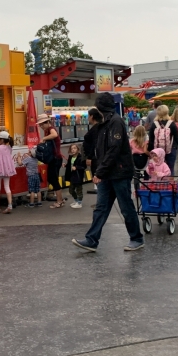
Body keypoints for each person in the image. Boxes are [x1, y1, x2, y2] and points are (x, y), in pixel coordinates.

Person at [72, 92, 144, 253]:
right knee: (101, 207)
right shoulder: (105, 122)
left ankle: (136, 238)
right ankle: (92, 239)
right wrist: (101, 170)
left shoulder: (115, 122)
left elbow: (114, 149)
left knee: (125, 207)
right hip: (108, 172)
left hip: (119, 172)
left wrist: (99, 171)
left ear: (100, 107)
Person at [147, 105, 178, 179]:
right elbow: (177, 138)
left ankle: (158, 183)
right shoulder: (171, 124)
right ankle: (170, 184)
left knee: (157, 168)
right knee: (170, 168)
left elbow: (151, 139)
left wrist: (149, 151)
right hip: (170, 149)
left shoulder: (154, 124)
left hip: (157, 152)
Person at [37, 113, 64, 209]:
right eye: (40, 125)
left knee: (53, 179)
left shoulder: (51, 129)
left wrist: (44, 138)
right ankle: (59, 199)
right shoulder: (47, 130)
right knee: (52, 178)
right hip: (54, 159)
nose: (41, 126)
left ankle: (59, 201)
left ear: (47, 122)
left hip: (55, 159)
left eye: (42, 124)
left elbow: (54, 134)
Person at [0, 131, 15, 214]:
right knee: (7, 187)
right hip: (7, 170)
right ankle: (10, 206)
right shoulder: (9, 148)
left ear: (2, 140)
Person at [64, 144, 86, 208]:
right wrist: (66, 165)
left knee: (79, 190)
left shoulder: (80, 157)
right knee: (71, 190)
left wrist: (76, 167)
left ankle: (79, 203)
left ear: (78, 149)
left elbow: (84, 166)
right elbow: (69, 165)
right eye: (71, 149)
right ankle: (76, 200)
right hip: (72, 176)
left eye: (74, 148)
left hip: (78, 176)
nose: (73, 150)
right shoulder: (70, 157)